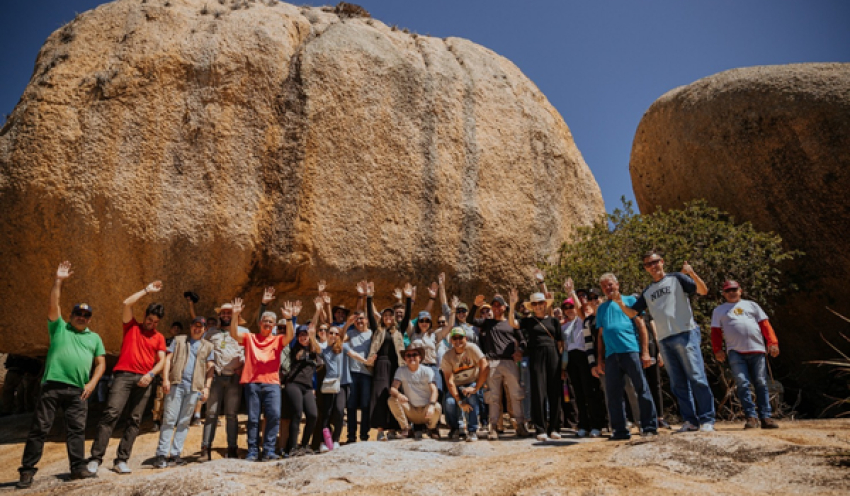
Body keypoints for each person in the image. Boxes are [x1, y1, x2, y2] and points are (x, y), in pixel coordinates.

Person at [17, 262, 106, 489]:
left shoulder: (94, 338)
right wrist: (58, 281)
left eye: (86, 315)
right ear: (71, 315)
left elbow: (101, 364)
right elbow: (52, 303)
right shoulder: (59, 327)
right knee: (40, 429)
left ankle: (77, 468)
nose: (82, 317)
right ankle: (27, 471)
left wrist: (92, 384)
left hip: (78, 390)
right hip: (53, 386)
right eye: (78, 313)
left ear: (90, 318)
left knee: (76, 430)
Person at [614, 251, 716, 432]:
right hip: (664, 339)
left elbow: (703, 290)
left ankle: (707, 418)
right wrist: (620, 303)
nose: (652, 266)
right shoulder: (647, 291)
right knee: (678, 383)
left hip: (685, 333)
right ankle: (690, 421)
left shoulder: (676, 278)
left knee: (697, 377)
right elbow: (633, 313)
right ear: (645, 269)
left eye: (654, 262)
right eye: (647, 264)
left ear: (662, 262)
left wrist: (691, 273)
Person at [88, 280, 167, 474]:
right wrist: (147, 290)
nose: (152, 324)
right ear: (145, 316)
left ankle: (121, 460)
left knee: (135, 419)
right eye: (150, 320)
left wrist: (151, 374)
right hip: (123, 376)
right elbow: (126, 303)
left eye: (156, 322)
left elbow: (162, 360)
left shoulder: (159, 337)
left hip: (144, 379)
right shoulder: (131, 327)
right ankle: (95, 459)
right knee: (111, 414)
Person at [229, 298, 295, 461]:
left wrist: (288, 319)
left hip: (272, 383)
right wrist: (235, 315)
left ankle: (268, 450)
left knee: (273, 415)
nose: (268, 323)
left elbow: (290, 336)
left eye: (271, 322)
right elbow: (233, 334)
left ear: (273, 326)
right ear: (259, 323)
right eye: (265, 321)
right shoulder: (250, 338)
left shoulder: (277, 340)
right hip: (253, 383)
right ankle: (252, 450)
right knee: (253, 418)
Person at [596, 273, 658, 440]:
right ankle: (620, 430)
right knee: (614, 393)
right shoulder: (601, 308)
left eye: (610, 284)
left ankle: (649, 426)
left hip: (630, 350)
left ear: (617, 284)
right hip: (611, 355)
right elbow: (600, 335)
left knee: (641, 388)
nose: (608, 288)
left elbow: (642, 326)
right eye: (604, 286)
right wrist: (599, 359)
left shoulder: (630, 301)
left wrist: (645, 352)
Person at [711, 280, 780, 429]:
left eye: (734, 289)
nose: (732, 293)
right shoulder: (719, 310)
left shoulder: (752, 305)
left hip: (757, 350)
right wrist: (717, 349)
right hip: (735, 352)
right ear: (723, 294)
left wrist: (772, 343)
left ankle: (766, 417)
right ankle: (750, 416)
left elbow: (765, 325)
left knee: (761, 382)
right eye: (728, 290)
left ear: (740, 290)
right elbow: (715, 332)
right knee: (742, 383)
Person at [154, 317, 215, 468]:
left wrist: (206, 387)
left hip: (195, 388)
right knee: (169, 418)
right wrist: (165, 379)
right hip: (177, 384)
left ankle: (175, 454)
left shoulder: (208, 346)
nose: (198, 329)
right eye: (195, 326)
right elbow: (168, 359)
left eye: (201, 327)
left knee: (184, 422)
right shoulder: (179, 340)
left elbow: (211, 368)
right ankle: (161, 454)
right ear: (190, 326)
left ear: (205, 329)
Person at [469, 293, 531, 440]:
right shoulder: (487, 323)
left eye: (499, 305)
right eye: (494, 305)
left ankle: (520, 425)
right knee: (493, 397)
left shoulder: (511, 322)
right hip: (493, 363)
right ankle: (494, 427)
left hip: (509, 362)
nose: (496, 308)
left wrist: (520, 351)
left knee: (516, 395)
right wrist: (475, 305)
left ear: (504, 307)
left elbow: (522, 341)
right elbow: (469, 320)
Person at [509, 290, 563, 441]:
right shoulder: (528, 321)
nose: (538, 306)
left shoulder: (554, 321)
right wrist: (512, 304)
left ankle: (555, 428)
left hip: (553, 355)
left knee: (555, 392)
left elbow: (560, 343)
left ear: (545, 304)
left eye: (540, 303)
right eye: (535, 304)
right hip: (536, 355)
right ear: (531, 306)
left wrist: (562, 364)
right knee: (538, 392)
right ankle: (540, 428)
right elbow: (513, 323)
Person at [200, 302, 250, 460]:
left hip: (234, 377)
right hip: (215, 376)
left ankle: (232, 448)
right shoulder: (211, 333)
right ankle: (205, 448)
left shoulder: (243, 332)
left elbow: (249, 353)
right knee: (211, 414)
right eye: (224, 313)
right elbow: (203, 352)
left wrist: (243, 366)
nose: (226, 315)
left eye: (230, 313)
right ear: (219, 315)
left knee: (231, 415)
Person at [319, 315, 372, 451]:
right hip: (328, 385)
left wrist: (365, 362)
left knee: (339, 411)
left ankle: (335, 439)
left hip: (343, 385)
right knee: (327, 413)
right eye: (331, 333)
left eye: (336, 334)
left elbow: (354, 355)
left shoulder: (343, 346)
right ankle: (325, 442)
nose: (333, 335)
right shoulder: (323, 349)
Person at [562, 281, 607, 438]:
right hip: (572, 358)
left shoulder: (587, 317)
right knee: (578, 393)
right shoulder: (568, 323)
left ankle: (597, 424)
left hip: (585, 356)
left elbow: (580, 310)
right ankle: (583, 424)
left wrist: (571, 292)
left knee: (590, 392)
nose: (581, 299)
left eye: (584, 297)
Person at [366, 282, 409, 441]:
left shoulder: (398, 331)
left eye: (391, 316)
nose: (389, 318)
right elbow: (370, 316)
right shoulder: (378, 331)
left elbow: (407, 317)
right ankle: (380, 430)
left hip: (396, 365)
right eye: (386, 315)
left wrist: (408, 299)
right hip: (380, 365)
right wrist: (369, 297)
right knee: (379, 395)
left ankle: (393, 428)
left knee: (394, 395)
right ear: (382, 318)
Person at [282, 303, 323, 457]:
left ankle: (304, 445)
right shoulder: (294, 347)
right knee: (297, 414)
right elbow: (291, 333)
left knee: (312, 415)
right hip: (293, 384)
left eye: (305, 335)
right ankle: (292, 448)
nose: (303, 337)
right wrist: (293, 317)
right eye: (301, 335)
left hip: (307, 387)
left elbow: (314, 334)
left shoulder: (313, 349)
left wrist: (317, 311)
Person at [442, 327, 489, 441]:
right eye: (454, 338)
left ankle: (472, 430)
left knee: (472, 396)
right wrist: (459, 401)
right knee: (449, 402)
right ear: (451, 341)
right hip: (457, 385)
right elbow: (449, 381)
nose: (457, 341)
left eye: (460, 338)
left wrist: (476, 387)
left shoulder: (472, 348)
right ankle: (455, 428)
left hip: (471, 382)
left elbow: (485, 366)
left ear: (466, 338)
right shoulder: (447, 356)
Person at [388, 340, 442, 439]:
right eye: (408, 355)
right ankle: (406, 429)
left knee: (437, 407)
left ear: (420, 357)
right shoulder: (401, 370)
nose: (411, 357)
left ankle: (432, 428)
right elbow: (393, 389)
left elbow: (434, 390)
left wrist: (431, 405)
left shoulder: (427, 370)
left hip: (426, 411)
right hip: (411, 410)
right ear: (405, 358)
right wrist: (399, 395)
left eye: (414, 355)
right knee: (392, 399)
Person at [345, 284, 375, 444]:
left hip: (366, 374)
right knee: (350, 406)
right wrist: (348, 323)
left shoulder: (372, 333)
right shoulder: (350, 333)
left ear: (367, 320)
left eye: (362, 319)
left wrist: (366, 298)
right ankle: (350, 436)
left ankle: (364, 435)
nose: (360, 321)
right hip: (352, 374)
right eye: (357, 320)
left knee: (364, 405)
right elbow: (338, 340)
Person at [151, 321, 182, 432]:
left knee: (175, 398)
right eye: (174, 327)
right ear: (170, 329)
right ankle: (156, 420)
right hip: (163, 372)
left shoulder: (183, 342)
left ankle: (171, 420)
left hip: (177, 373)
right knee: (160, 397)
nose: (176, 329)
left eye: (178, 328)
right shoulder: (164, 341)